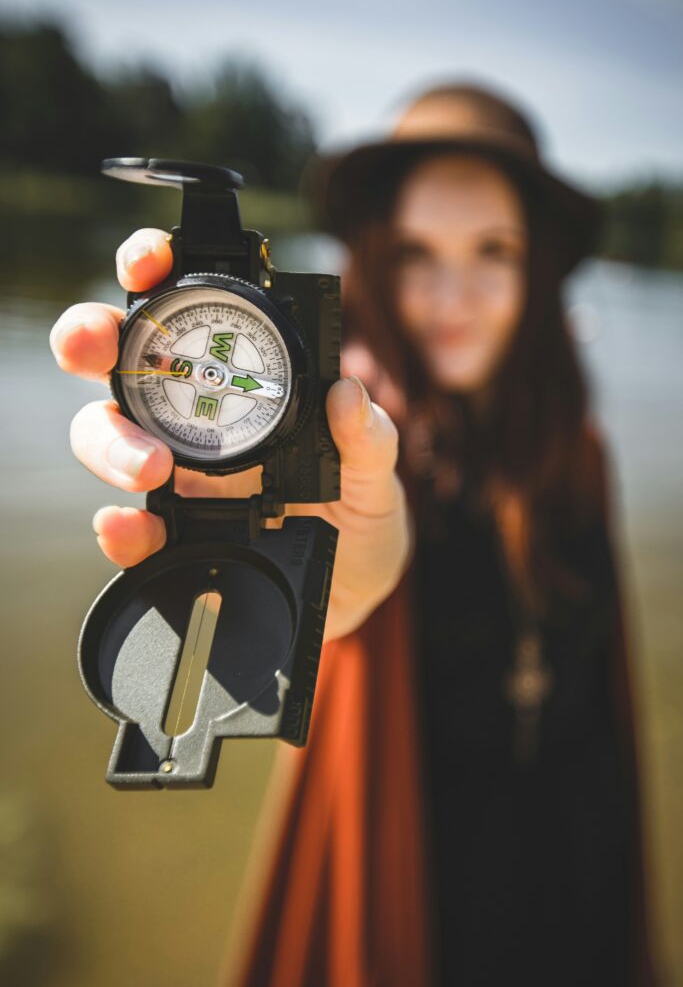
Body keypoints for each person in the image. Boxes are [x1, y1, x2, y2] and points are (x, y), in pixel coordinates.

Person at [50, 82, 657, 986]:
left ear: (539, 270)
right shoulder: (344, 439)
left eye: (492, 251)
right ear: (375, 260)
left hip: (578, 859)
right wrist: (256, 479)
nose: (452, 294)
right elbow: (350, 581)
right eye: (416, 253)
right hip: (417, 879)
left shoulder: (578, 449)